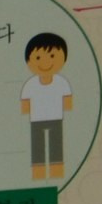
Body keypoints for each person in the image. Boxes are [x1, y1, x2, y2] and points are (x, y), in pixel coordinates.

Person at [23, 33, 74, 183]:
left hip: (56, 119)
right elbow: (25, 105)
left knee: (56, 149)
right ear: (29, 62)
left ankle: (56, 173)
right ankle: (38, 174)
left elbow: (68, 102)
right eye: (38, 58)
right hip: (36, 121)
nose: (45, 62)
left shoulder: (61, 82)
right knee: (37, 149)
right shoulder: (30, 84)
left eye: (52, 56)